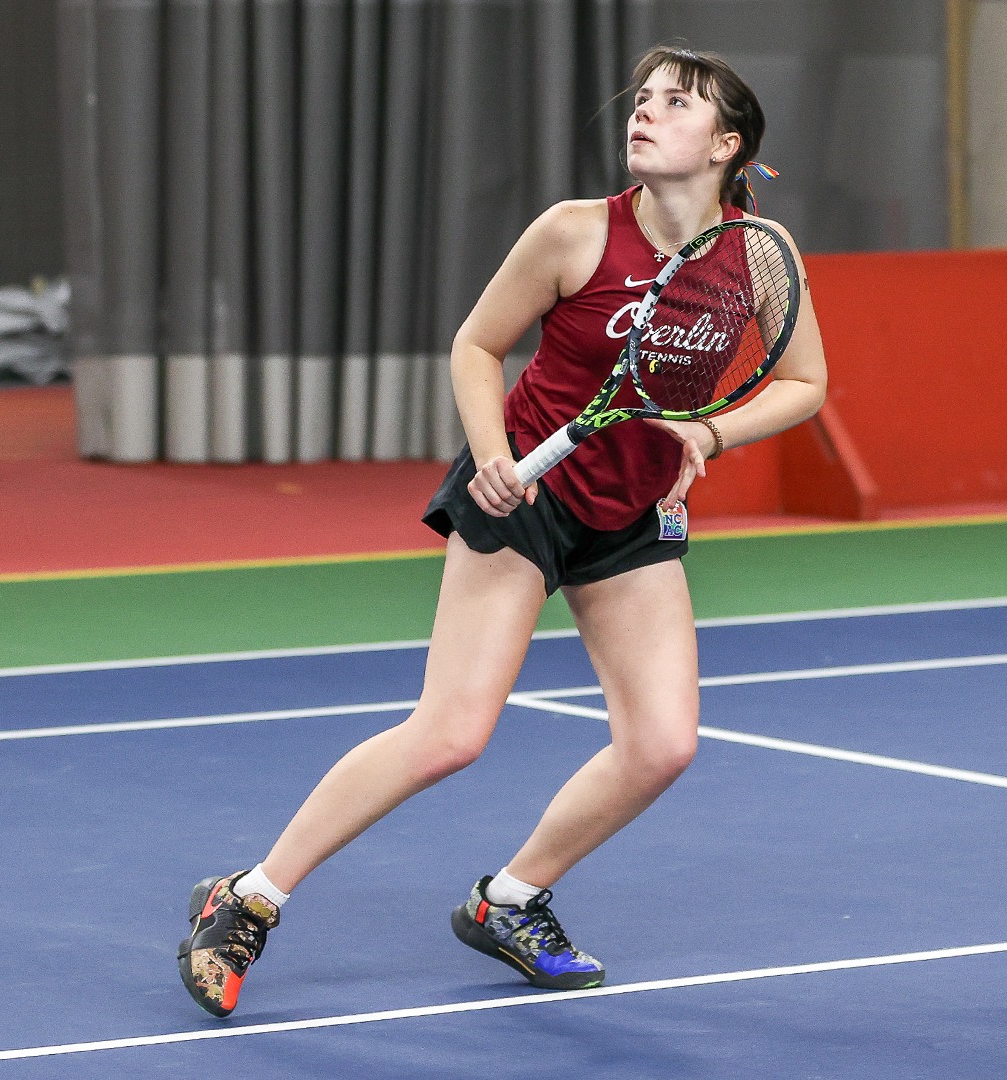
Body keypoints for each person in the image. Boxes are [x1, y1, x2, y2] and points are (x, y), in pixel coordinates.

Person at [179, 43, 828, 1018]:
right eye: (642, 99)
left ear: (727, 145)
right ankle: (249, 899)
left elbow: (807, 383)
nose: (645, 113)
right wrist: (490, 451)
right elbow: (478, 345)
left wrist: (710, 430)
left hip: (635, 512)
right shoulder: (574, 233)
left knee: (661, 745)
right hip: (521, 497)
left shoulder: (757, 259)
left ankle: (510, 900)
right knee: (449, 734)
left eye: (677, 104)